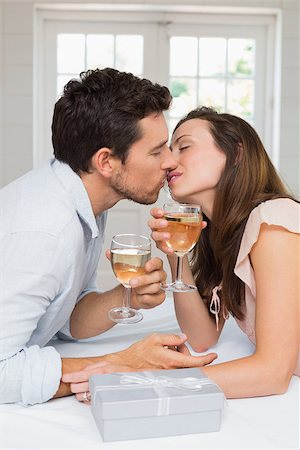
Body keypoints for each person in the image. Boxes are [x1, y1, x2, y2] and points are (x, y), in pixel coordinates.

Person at [0, 71, 216, 406]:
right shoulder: (44, 233)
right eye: (157, 151)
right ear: (106, 162)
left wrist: (123, 296)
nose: (171, 162)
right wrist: (123, 363)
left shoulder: (85, 200)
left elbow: (63, 318)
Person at [148, 106, 300, 398]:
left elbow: (273, 373)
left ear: (236, 154)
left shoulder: (274, 220)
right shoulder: (221, 236)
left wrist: (150, 383)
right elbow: (201, 337)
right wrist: (175, 253)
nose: (167, 161)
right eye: (168, 150)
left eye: (184, 146)